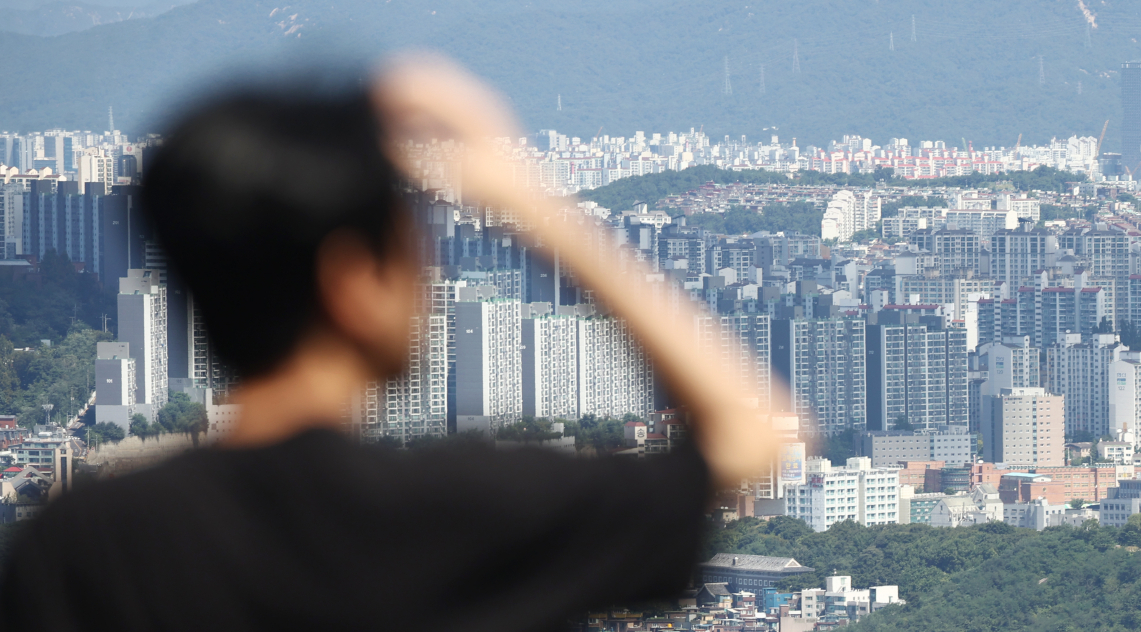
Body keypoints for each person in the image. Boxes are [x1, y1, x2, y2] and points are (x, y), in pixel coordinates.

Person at [0, 58, 776, 630]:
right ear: (352, 281)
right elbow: (750, 436)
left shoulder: (85, 540)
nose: (431, 278)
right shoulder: (460, 512)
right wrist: (531, 207)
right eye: (415, 246)